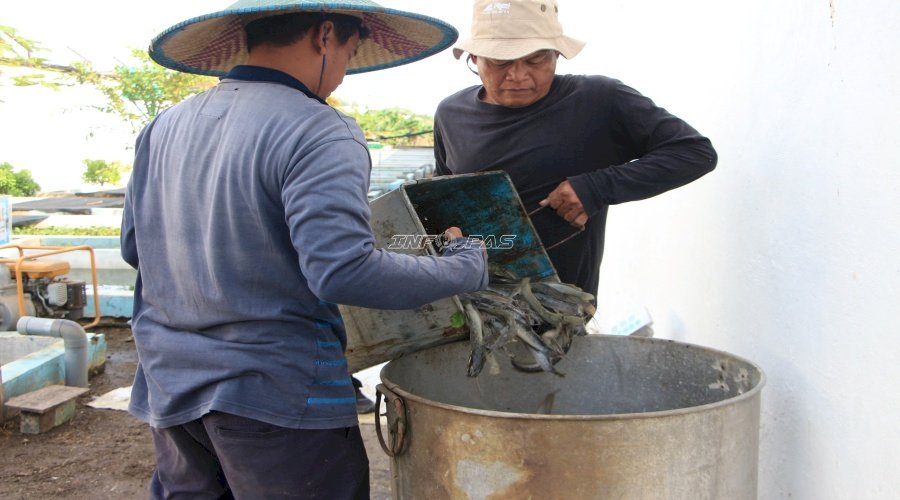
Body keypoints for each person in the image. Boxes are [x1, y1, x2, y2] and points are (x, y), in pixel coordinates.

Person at [121, 1, 488, 498]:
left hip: (170, 388)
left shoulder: (165, 125)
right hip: (276, 399)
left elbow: (134, 247)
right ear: (326, 34)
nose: (340, 74)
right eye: (348, 52)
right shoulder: (318, 128)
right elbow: (344, 272)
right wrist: (463, 268)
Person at [434, 0, 718, 298]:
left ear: (557, 55)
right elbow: (439, 197)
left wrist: (596, 187)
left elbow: (694, 153)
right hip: (469, 298)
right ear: (474, 58)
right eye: (500, 61)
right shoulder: (451, 113)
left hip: (559, 308)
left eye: (535, 59)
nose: (517, 75)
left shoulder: (599, 100)